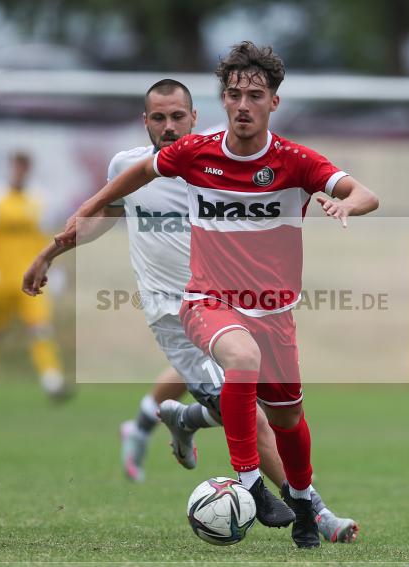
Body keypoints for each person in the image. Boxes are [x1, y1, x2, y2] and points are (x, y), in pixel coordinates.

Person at [24, 77, 360, 543]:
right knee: (252, 415)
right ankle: (314, 513)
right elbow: (106, 215)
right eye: (158, 118)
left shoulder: (214, 162)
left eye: (177, 116)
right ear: (145, 121)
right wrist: (49, 253)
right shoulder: (130, 168)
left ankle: (184, 419)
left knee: (262, 407)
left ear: (194, 117)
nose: (168, 126)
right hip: (173, 315)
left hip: (231, 306)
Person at [0, 151, 68, 407]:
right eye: (16, 167)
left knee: (40, 328)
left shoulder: (39, 199)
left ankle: (52, 379)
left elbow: (47, 239)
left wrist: (54, 269)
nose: (20, 172)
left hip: (31, 278)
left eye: (24, 167)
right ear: (10, 167)